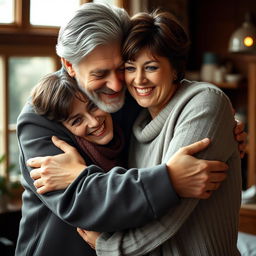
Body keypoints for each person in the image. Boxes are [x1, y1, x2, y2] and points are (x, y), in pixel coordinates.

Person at [15, 3, 245, 256]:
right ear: (69, 65)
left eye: (120, 67)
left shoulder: (129, 96)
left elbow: (172, 98)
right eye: (100, 73)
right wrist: (169, 180)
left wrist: (222, 128)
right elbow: (81, 204)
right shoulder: (40, 119)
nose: (115, 84)